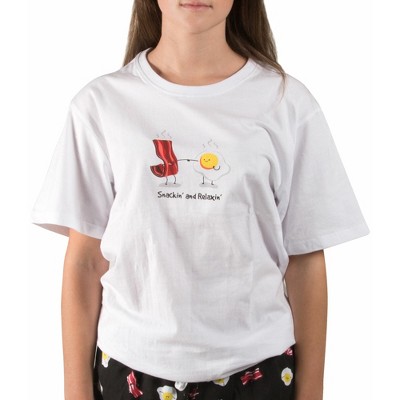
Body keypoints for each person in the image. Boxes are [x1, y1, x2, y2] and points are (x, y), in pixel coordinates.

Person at [30, 1, 370, 399]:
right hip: (129, 369)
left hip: (258, 371)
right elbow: (85, 262)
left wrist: (311, 392)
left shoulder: (287, 103)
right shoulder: (100, 104)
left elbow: (305, 261)